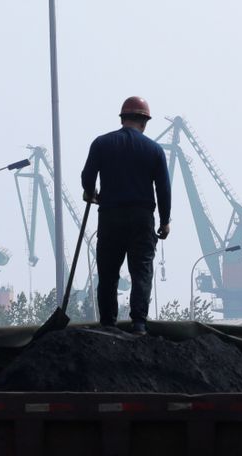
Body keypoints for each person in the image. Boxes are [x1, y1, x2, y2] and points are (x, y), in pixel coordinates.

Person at [81, 96, 171, 336]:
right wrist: (165, 221)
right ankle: (139, 324)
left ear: (123, 118)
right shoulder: (154, 150)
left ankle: (108, 323)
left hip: (110, 216)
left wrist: (91, 193)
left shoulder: (101, 144)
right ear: (144, 121)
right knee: (141, 270)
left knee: (108, 272)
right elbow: (163, 189)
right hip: (142, 218)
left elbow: (87, 176)